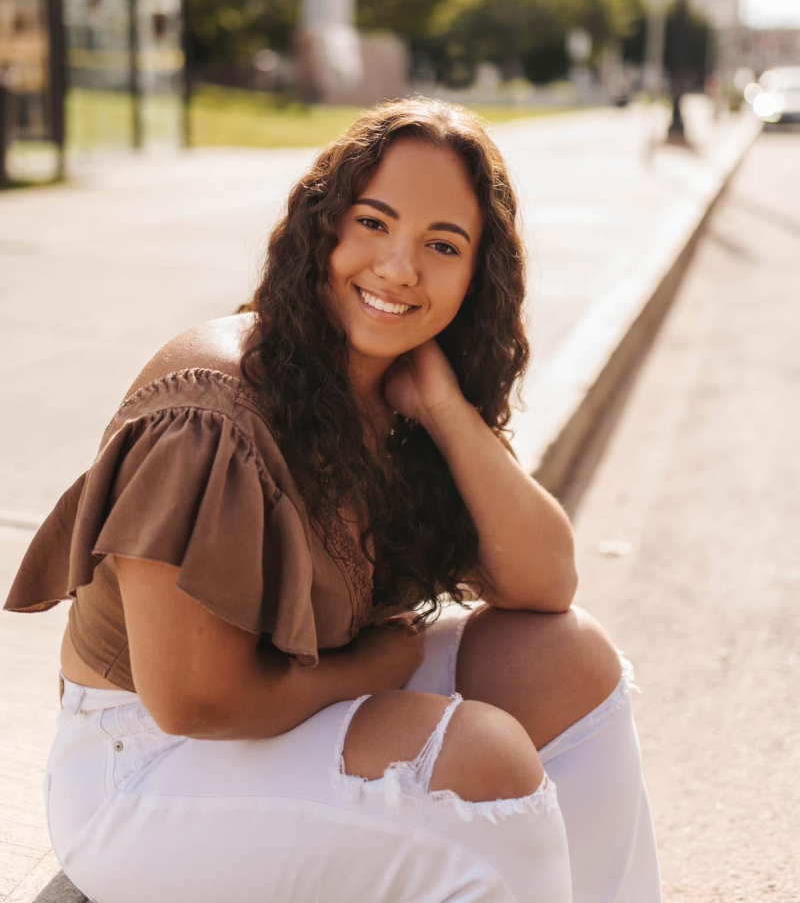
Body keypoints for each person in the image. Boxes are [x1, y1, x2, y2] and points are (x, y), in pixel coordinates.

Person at [4, 99, 661, 902]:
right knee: (481, 759)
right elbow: (192, 701)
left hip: (287, 721)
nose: (399, 269)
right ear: (324, 225)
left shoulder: (397, 390)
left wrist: (448, 414)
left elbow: (547, 582)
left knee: (567, 659)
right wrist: (374, 666)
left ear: (476, 274)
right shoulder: (212, 410)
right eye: (374, 223)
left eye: (442, 245)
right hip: (142, 779)